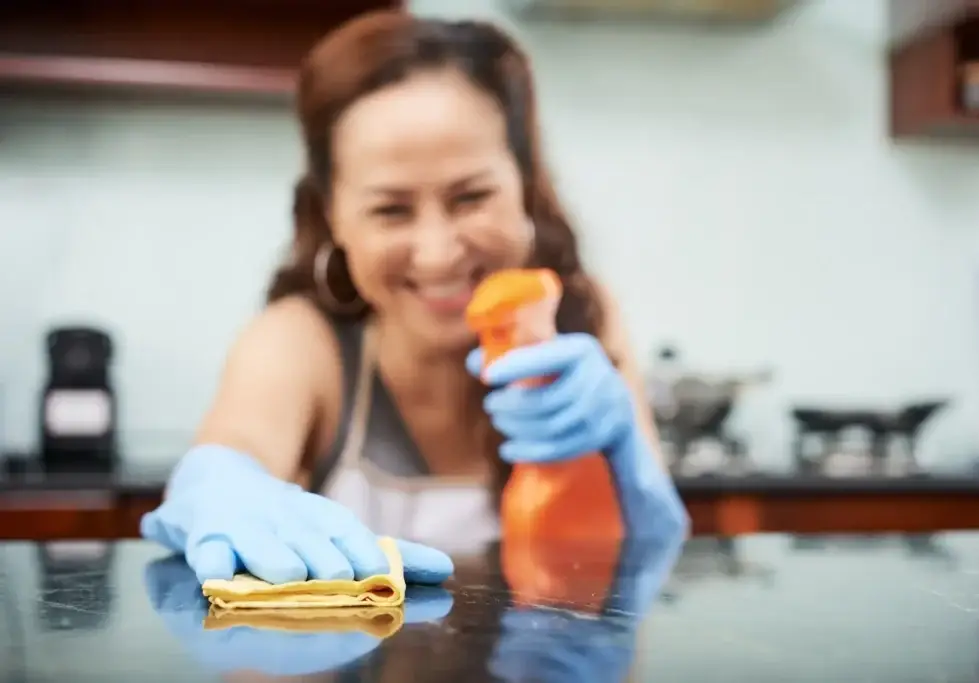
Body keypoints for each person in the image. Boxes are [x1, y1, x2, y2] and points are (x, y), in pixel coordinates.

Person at [140, 9, 687, 587]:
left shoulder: (581, 316)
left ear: (525, 184)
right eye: (391, 209)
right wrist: (221, 483)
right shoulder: (301, 341)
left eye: (471, 196)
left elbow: (650, 561)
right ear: (334, 217)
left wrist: (627, 459)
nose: (438, 253)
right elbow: (237, 445)